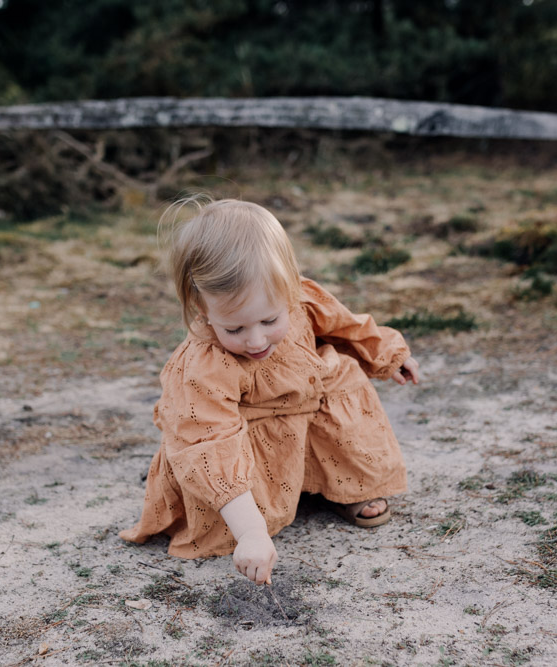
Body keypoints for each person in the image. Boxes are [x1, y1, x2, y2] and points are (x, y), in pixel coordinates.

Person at [120, 196, 420, 586]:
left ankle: (342, 484)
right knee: (237, 509)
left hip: (305, 407)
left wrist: (387, 354)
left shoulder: (300, 299)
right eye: (235, 328)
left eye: (269, 320)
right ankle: (251, 516)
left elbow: (348, 327)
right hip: (246, 437)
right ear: (201, 307)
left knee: (341, 372)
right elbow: (208, 442)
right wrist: (250, 532)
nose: (257, 339)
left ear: (289, 287)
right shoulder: (203, 365)